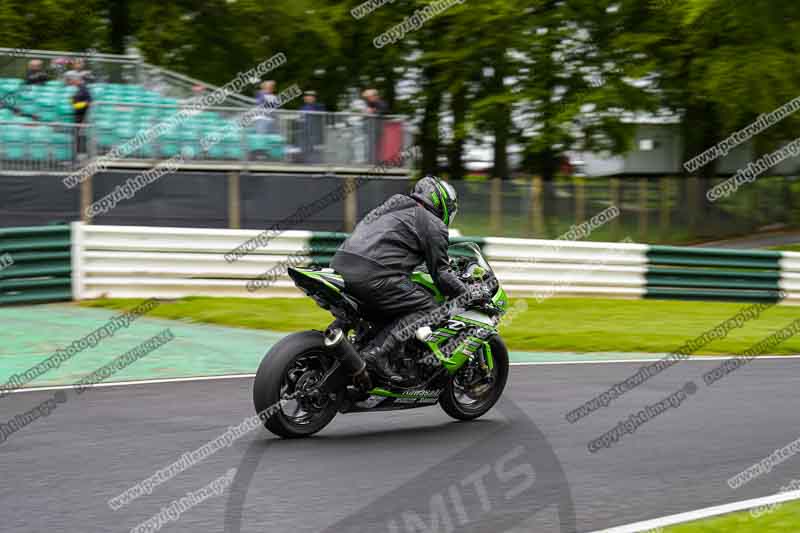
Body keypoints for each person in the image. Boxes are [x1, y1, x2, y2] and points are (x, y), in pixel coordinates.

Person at [331, 176, 468, 383]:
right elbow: (441, 275)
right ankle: (377, 354)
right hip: (373, 275)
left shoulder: (393, 204)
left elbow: (391, 243)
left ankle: (339, 334)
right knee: (430, 307)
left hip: (341, 264)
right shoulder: (434, 225)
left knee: (376, 307)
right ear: (441, 203)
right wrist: (467, 293)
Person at [67, 72, 92, 156]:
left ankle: (81, 154)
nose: (72, 82)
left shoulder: (84, 89)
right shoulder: (79, 89)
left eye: (73, 80)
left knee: (80, 137)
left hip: (82, 117)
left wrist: (75, 104)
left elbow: (88, 102)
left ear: (78, 80)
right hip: (79, 117)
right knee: (76, 137)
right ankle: (77, 155)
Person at [362, 88, 388, 163]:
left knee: (376, 145)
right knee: (371, 145)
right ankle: (371, 160)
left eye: (369, 97)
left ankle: (375, 161)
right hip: (371, 128)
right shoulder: (370, 104)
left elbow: (384, 110)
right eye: (367, 98)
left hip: (377, 128)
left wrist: (373, 111)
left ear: (374, 96)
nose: (367, 99)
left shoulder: (380, 103)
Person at [300, 90, 324, 163]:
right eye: (307, 97)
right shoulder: (303, 108)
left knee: (314, 151)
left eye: (311, 97)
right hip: (305, 132)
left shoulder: (318, 107)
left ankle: (314, 162)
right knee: (305, 150)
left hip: (314, 133)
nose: (308, 98)